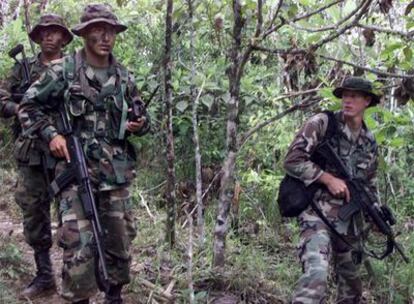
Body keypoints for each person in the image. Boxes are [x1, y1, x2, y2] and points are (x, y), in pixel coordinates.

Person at [18, 4, 150, 304]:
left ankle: (114, 295)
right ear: (84, 35)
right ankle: (80, 297)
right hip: (75, 173)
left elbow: (142, 118)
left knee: (120, 238)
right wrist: (52, 135)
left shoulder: (123, 77)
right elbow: (28, 107)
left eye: (111, 32)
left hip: (115, 174)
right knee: (78, 244)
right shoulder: (62, 71)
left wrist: (139, 124)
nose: (106, 37)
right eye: (98, 31)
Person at [283, 76, 381, 304]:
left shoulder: (369, 141)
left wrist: (375, 212)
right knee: (316, 276)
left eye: (354, 96)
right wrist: (327, 179)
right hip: (316, 214)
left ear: (367, 101)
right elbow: (292, 160)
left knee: (352, 289)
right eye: (345, 95)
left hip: (349, 224)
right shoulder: (323, 124)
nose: (347, 100)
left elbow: (369, 183)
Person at [0, 14, 73, 299]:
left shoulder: (74, 67)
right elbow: (2, 98)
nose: (48, 36)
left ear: (64, 38)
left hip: (64, 152)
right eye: (43, 32)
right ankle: (44, 275)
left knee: (72, 216)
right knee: (33, 213)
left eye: (54, 32)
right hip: (32, 152)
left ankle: (72, 277)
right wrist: (18, 109)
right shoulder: (24, 69)